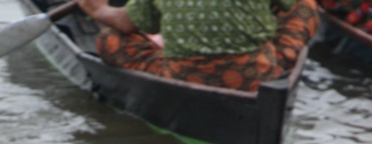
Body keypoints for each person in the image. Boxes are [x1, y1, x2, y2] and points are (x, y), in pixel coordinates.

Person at [76, 0, 318, 92]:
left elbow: (128, 24)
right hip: (255, 77)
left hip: (183, 77)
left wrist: (96, 9)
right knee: (303, 4)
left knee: (111, 37)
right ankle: (281, 64)